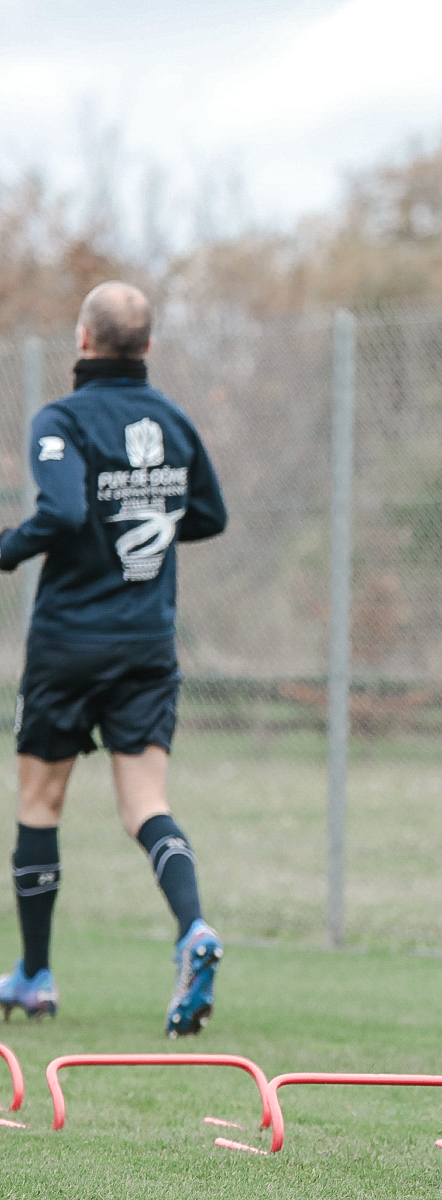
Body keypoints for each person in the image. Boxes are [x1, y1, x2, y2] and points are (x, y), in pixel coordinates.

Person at [0, 282, 228, 1036]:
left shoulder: (61, 419)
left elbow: (62, 512)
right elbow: (208, 514)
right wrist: (144, 525)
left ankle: (34, 975)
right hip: (146, 644)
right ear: (149, 347)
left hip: (68, 643)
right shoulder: (172, 419)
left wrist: (8, 552)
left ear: (83, 339)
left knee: (40, 805)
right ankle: (193, 930)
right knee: (146, 807)